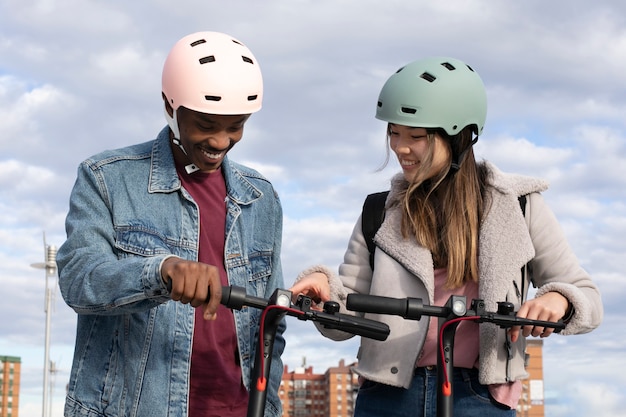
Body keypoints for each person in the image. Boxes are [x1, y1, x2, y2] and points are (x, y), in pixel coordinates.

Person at [290, 56, 603, 417]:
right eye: (393, 132)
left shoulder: (519, 206)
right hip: (387, 397)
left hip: (480, 398)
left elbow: (588, 298)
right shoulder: (378, 211)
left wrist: (561, 300)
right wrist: (323, 289)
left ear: (460, 137)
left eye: (416, 136)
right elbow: (346, 310)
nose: (399, 147)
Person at [56, 31, 286, 417]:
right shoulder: (106, 178)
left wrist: (270, 407)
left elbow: (270, 326)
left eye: (236, 126)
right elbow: (79, 281)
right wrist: (160, 271)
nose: (221, 140)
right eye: (207, 124)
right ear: (169, 104)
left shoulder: (261, 197)